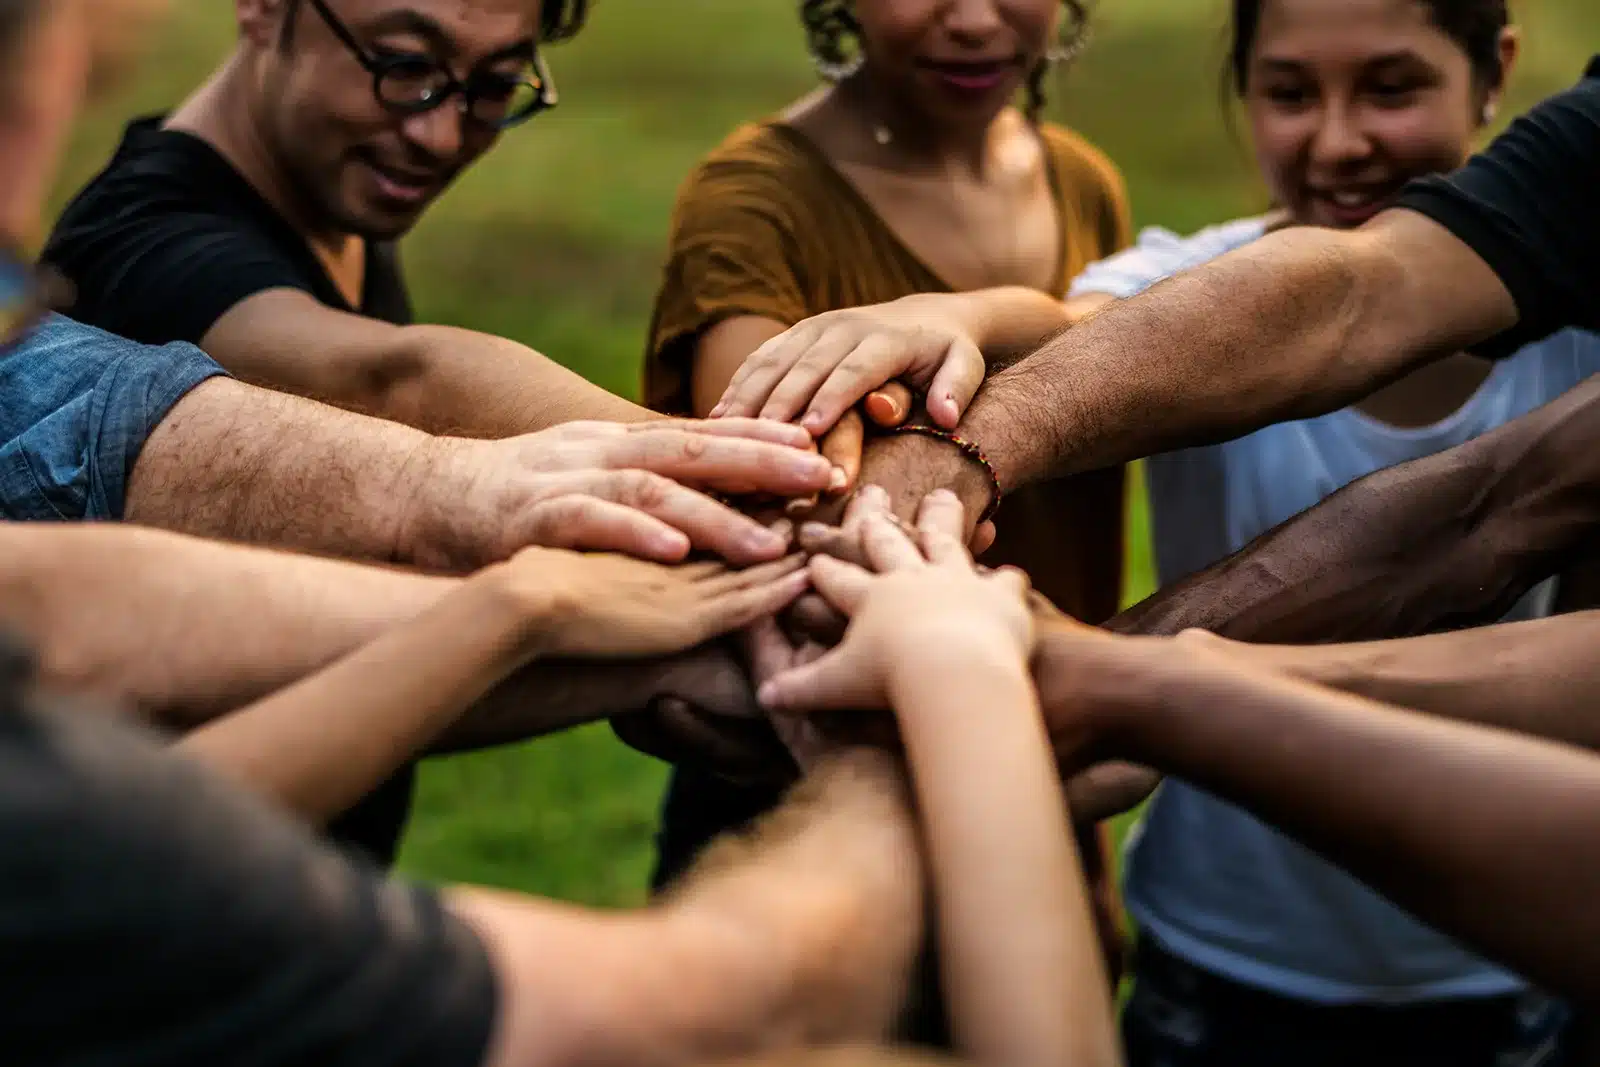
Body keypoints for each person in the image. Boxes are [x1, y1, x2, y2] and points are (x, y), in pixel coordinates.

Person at [1053, 1, 1591, 1061]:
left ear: (1495, 76)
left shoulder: (1580, 332)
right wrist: (966, 322)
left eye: (1391, 90)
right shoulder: (1176, 293)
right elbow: (1076, 342)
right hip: (1224, 956)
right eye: (1289, 93)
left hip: (1504, 957)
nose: (1338, 142)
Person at [641, 0, 1133, 988]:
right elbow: (793, 498)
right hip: (804, 793)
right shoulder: (755, 199)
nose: (973, 22)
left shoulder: (1080, 181)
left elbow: (1147, 356)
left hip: (1044, 754)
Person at [42, 0, 692, 437]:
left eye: (495, 83)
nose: (441, 137)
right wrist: (711, 457)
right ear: (266, 7)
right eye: (405, 65)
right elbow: (395, 379)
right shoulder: (138, 247)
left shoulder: (322, 186)